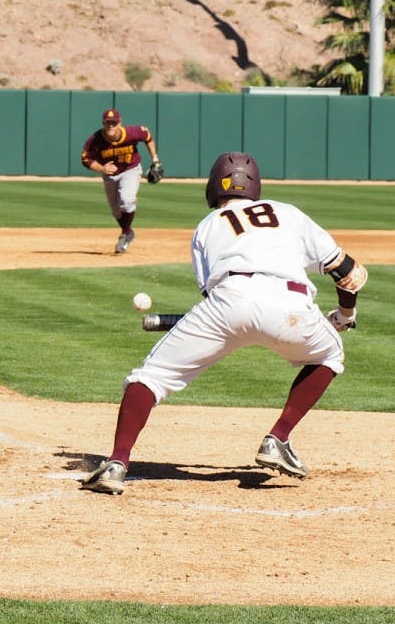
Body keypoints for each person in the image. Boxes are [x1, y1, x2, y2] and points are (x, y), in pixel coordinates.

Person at [82, 151, 368, 494]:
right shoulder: (288, 213)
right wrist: (345, 315)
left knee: (151, 377)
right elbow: (350, 274)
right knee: (329, 355)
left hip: (228, 300)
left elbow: (213, 295)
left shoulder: (206, 226)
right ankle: (278, 438)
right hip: (292, 303)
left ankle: (116, 464)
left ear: (213, 187)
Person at [81, 108, 163, 254]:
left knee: (127, 200)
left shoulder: (132, 133)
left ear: (120, 123)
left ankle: (125, 234)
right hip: (109, 175)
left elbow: (147, 136)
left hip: (130, 169)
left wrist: (155, 159)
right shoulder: (95, 140)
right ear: (103, 124)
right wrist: (101, 168)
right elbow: (85, 159)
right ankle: (128, 232)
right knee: (116, 210)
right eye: (108, 123)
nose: (111, 126)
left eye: (114, 122)